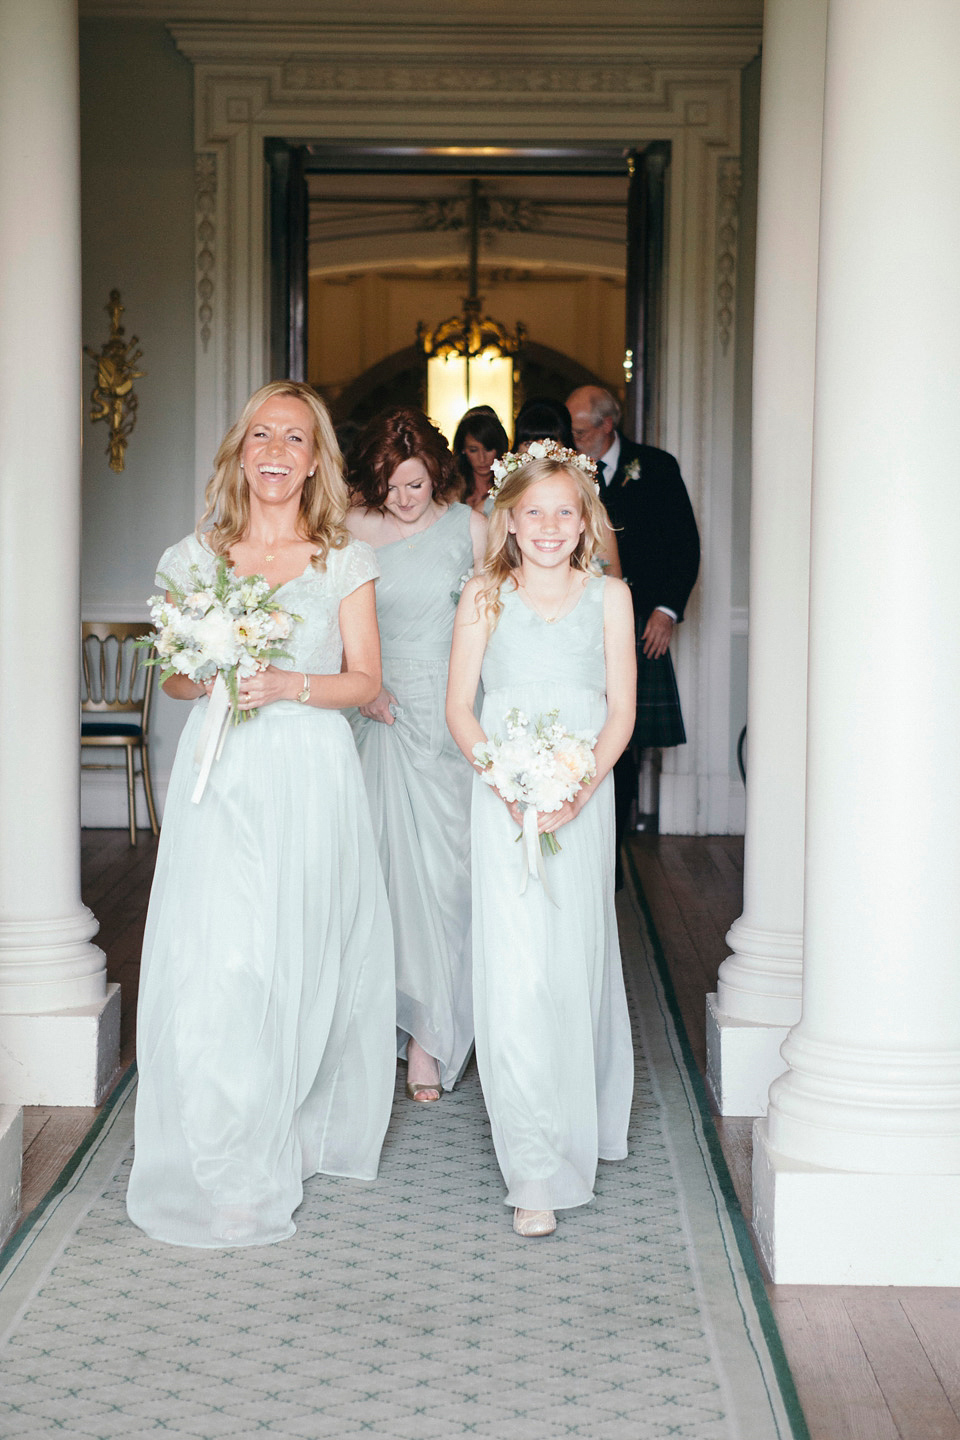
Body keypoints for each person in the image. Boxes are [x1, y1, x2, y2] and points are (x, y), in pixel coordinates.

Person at [126, 380, 396, 1248]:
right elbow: (169, 675)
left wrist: (290, 684)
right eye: (261, 436)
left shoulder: (343, 559)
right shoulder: (193, 557)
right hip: (223, 777)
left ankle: (293, 1118)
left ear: (315, 459)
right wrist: (203, 672)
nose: (275, 452)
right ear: (240, 451)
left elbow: (364, 681)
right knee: (222, 957)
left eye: (294, 438)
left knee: (299, 951)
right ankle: (228, 1151)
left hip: (312, 773)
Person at [446, 446, 636, 1238]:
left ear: (584, 518)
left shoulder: (611, 598)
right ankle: (535, 1168)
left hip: (582, 801)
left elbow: (620, 713)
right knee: (517, 970)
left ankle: (580, 1113)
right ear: (510, 521)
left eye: (566, 511)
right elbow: (461, 709)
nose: (551, 526)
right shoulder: (484, 595)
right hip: (504, 801)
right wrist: (508, 782)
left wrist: (577, 790)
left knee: (571, 962)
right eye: (535, 512)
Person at [346, 407, 486, 1102]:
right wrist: (360, 682)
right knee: (381, 877)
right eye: (390, 487)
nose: (402, 501)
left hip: (452, 709)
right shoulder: (349, 528)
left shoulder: (471, 527)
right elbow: (327, 614)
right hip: (377, 709)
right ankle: (397, 1035)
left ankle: (436, 1031)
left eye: (414, 485)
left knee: (445, 879)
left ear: (437, 473)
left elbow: (501, 617)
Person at [566, 385, 700, 843]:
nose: (574, 437)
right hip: (580, 620)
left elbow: (685, 546)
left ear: (607, 425)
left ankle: (616, 848)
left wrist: (665, 612)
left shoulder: (657, 467)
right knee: (584, 726)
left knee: (625, 738)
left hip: (641, 623)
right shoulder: (569, 469)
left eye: (581, 430)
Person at [452, 405, 509, 511]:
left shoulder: (510, 487)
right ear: (463, 449)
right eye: (473, 450)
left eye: (488, 449)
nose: (482, 459)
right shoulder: (449, 490)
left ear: (499, 448)